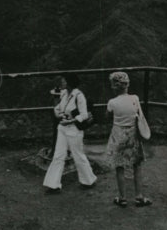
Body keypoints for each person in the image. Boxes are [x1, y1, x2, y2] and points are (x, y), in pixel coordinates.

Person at [43, 73, 97, 193]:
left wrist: (71, 121)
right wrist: (59, 114)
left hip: (74, 130)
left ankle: (89, 180)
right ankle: (53, 185)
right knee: (58, 155)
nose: (62, 83)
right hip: (62, 128)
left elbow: (83, 115)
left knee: (78, 155)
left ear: (69, 83)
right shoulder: (64, 94)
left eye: (63, 81)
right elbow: (57, 108)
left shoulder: (79, 96)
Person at [104, 71, 151, 207]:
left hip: (118, 135)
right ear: (127, 85)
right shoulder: (135, 98)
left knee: (119, 166)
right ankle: (139, 196)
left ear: (114, 86)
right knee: (136, 165)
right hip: (132, 135)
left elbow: (107, 117)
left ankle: (122, 197)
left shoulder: (112, 102)